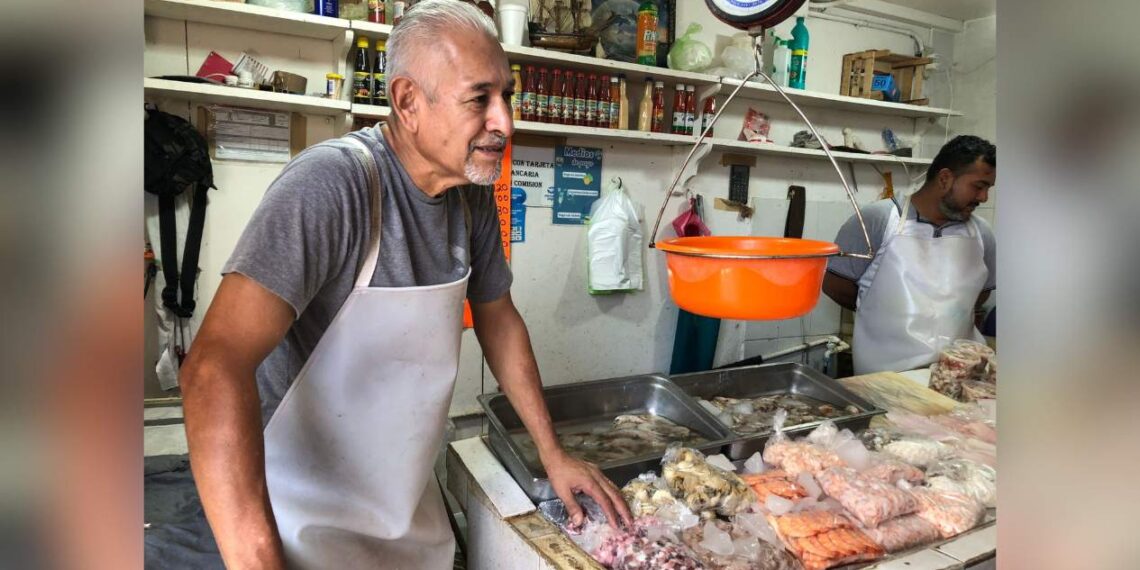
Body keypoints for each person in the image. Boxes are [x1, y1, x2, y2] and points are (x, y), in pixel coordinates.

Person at [167, 2, 631, 568]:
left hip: (398, 505)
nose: (505, 122)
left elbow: (499, 319)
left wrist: (551, 452)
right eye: (479, 99)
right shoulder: (332, 186)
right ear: (408, 102)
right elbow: (213, 369)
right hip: (290, 515)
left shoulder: (471, 198)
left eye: (506, 96)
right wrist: (258, 555)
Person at [823, 135, 996, 375]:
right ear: (945, 178)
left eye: (988, 189)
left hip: (955, 374)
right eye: (978, 186)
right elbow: (834, 285)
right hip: (885, 374)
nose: (983, 198)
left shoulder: (981, 233)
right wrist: (883, 312)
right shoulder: (878, 220)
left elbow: (981, 294)